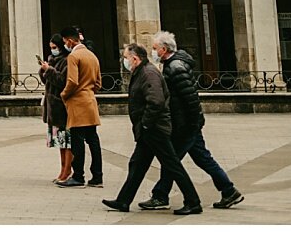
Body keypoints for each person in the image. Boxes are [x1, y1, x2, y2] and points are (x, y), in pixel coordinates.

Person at [139, 31, 244, 211]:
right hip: (187, 123)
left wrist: (193, 124)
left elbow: (190, 98)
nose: (153, 51)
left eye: (155, 48)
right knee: (202, 158)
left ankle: (161, 196)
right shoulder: (171, 64)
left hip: (185, 124)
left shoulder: (175, 67)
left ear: (164, 49)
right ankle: (228, 191)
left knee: (171, 160)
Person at [102, 44, 202, 215]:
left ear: (135, 58)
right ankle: (123, 200)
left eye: (126, 58)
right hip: (147, 129)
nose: (124, 61)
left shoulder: (148, 73)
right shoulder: (141, 71)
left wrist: (146, 124)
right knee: (137, 164)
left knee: (172, 164)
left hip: (155, 129)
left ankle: (193, 202)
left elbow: (156, 101)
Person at [56, 25, 102, 188]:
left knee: (77, 140)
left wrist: (64, 94)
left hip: (77, 102)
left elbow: (72, 81)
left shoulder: (74, 57)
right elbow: (98, 83)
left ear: (69, 40)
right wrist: (89, 91)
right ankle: (97, 176)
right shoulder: (92, 56)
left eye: (64, 42)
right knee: (93, 139)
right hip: (90, 100)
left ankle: (78, 176)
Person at [37, 34, 72, 184]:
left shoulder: (66, 60)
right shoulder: (52, 59)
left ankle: (67, 169)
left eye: (55, 47)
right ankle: (62, 168)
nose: (53, 50)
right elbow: (47, 80)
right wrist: (43, 70)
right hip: (52, 106)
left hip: (61, 106)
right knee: (59, 141)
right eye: (51, 48)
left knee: (67, 141)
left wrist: (49, 70)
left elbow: (62, 81)